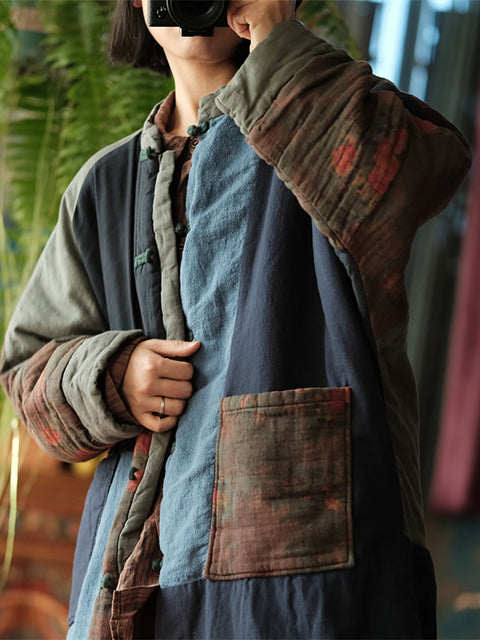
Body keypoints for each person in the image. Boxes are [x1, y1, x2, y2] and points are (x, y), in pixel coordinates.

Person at [0, 0, 471, 638]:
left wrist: (278, 41)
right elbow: (26, 372)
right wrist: (116, 373)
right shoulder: (102, 186)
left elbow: (418, 175)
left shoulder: (325, 116)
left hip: (309, 580)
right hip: (130, 584)